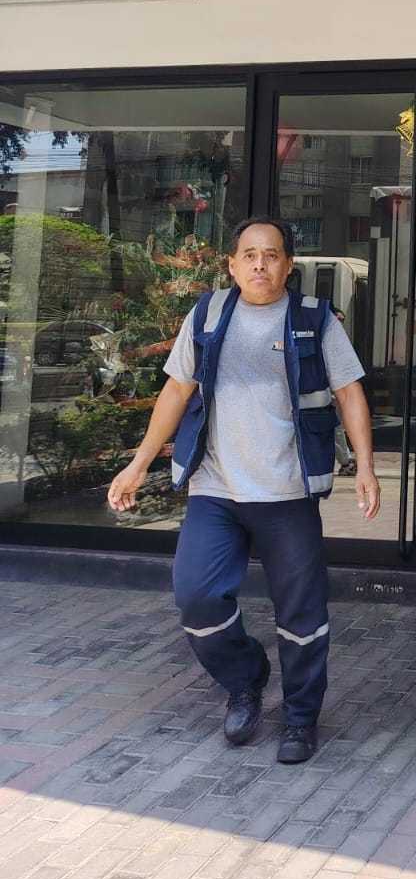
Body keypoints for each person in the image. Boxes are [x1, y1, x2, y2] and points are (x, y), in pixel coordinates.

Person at [107, 218, 381, 764]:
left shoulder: (314, 319)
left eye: (272, 255)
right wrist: (138, 464)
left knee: (302, 617)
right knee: (196, 598)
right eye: (250, 255)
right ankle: (245, 678)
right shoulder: (207, 314)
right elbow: (176, 391)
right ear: (232, 265)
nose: (260, 264)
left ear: (288, 266)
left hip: (287, 493)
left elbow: (350, 393)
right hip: (216, 490)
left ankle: (300, 717)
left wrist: (367, 468)